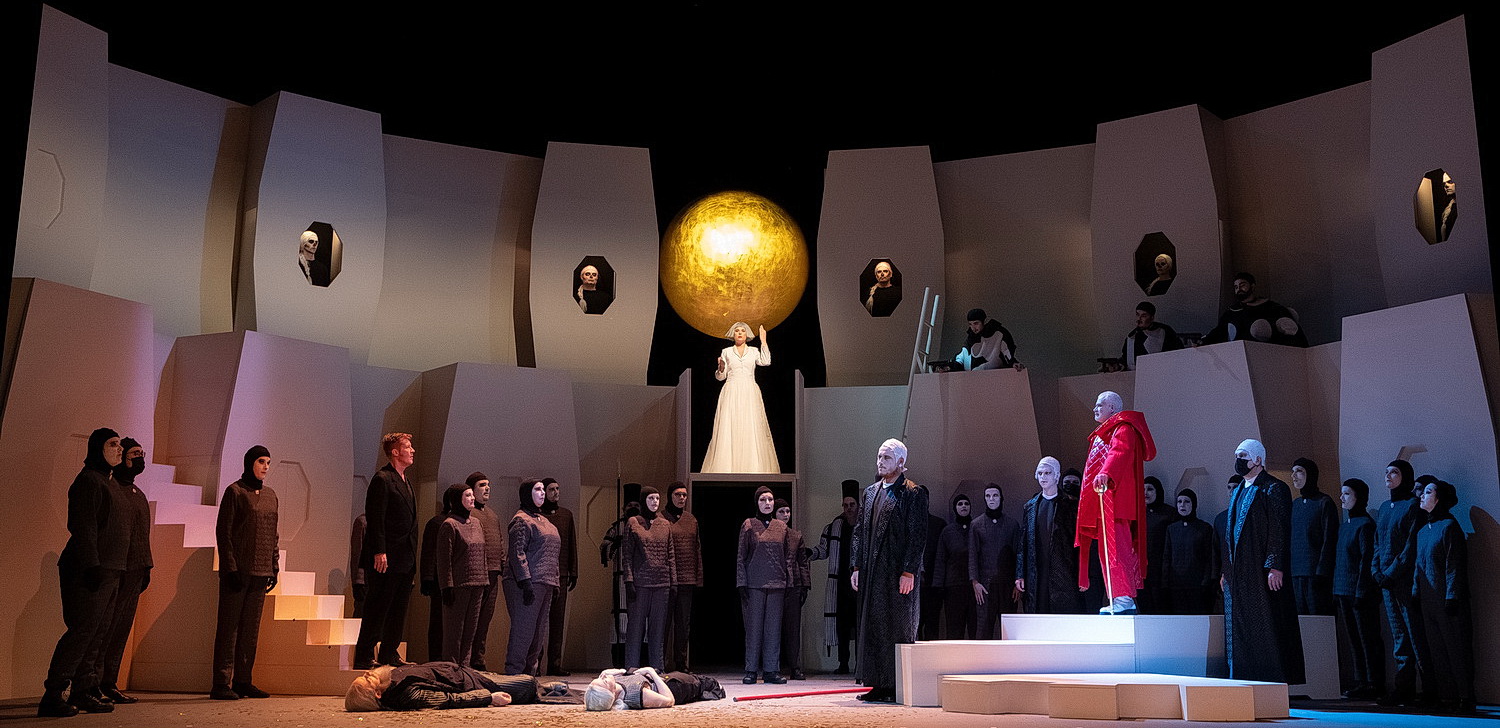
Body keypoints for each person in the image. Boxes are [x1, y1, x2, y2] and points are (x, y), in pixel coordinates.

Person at [39, 428, 126, 717]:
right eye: (113, 444)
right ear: (98, 447)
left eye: (120, 445)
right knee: (82, 631)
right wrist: (92, 564)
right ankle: (53, 694)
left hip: (109, 570)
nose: (119, 449)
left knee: (97, 633)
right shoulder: (89, 480)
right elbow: (83, 526)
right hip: (90, 569)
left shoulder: (109, 481)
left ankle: (83, 690)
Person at [850, 439, 928, 703]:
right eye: (879, 457)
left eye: (886, 458)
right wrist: (857, 566)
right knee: (874, 626)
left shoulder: (912, 493)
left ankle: (895, 685)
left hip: (897, 573)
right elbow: (860, 531)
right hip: (872, 572)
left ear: (901, 462)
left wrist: (909, 571)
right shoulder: (871, 492)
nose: (881, 462)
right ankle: (877, 683)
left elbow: (917, 535)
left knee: (897, 627)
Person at [1221, 439, 1304, 684]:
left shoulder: (1274, 488)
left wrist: (1275, 565)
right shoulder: (1239, 490)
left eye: (1243, 456)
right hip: (1240, 573)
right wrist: (1227, 570)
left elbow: (1279, 529)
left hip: (1261, 570)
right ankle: (1243, 677)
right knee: (1242, 625)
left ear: (1258, 459)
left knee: (1267, 623)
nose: (1239, 460)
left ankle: (1270, 679)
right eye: (1237, 456)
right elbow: (1230, 534)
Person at [1076, 391, 1155, 615]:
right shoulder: (1105, 432)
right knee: (1107, 553)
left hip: (1116, 502)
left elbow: (1120, 452)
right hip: (1105, 502)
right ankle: (1118, 597)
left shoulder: (1123, 428)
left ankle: (1124, 598)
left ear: (1112, 408)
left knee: (1117, 551)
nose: (1095, 409)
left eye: (1099, 405)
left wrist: (1106, 473)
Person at [211, 445, 280, 700]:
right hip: (237, 572)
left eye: (268, 462)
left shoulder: (271, 495)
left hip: (261, 572)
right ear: (250, 462)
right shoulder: (235, 491)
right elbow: (224, 531)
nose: (265, 467)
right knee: (229, 628)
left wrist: (274, 565)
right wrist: (230, 567)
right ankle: (221, 683)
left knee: (250, 630)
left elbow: (273, 533)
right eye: (261, 461)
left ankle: (243, 680)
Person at [94, 437, 152, 706]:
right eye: (134, 453)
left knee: (121, 628)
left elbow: (143, 533)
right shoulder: (111, 488)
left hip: (135, 569)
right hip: (115, 567)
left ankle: (109, 681)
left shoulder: (138, 494)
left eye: (142, 453)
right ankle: (92, 681)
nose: (139, 458)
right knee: (104, 627)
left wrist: (146, 565)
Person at [356, 433, 418, 670]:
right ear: (395, 452)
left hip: (405, 557)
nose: (412, 451)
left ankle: (389, 653)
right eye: (407, 447)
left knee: (399, 608)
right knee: (378, 606)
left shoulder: (405, 481)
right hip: (387, 556)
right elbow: (376, 518)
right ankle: (364, 655)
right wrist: (379, 551)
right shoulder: (382, 479)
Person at [1412, 478, 1474, 714]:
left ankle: (1465, 696)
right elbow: (1419, 565)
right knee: (1437, 650)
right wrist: (1416, 593)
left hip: (1447, 600)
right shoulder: (1422, 532)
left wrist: (1452, 596)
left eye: (1428, 492)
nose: (1422, 495)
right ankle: (1447, 696)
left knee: (1456, 648)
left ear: (1439, 499)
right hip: (1428, 600)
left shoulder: (1449, 526)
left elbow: (1453, 564)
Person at [1372, 459, 1428, 706]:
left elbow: (1410, 546)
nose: (1388, 476)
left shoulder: (1413, 506)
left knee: (1415, 634)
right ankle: (1403, 687)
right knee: (1398, 636)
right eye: (1386, 472)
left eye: (1394, 472)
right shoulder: (1385, 507)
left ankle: (1429, 688)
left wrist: (1392, 572)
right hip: (1387, 582)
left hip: (1404, 580)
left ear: (1405, 476)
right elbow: (1378, 542)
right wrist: (1376, 570)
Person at [702, 322, 779, 474]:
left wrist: (764, 341)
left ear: (746, 334)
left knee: (751, 424)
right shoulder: (726, 352)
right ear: (733, 334)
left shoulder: (753, 351)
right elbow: (720, 377)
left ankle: (753, 468)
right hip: (731, 390)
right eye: (737, 330)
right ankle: (726, 468)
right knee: (729, 425)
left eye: (742, 331)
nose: (739, 333)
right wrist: (720, 369)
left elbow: (766, 361)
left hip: (749, 391)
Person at [504, 479, 561, 675]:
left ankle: (528, 676)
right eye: (537, 489)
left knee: (538, 635)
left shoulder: (545, 521)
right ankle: (514, 675)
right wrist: (525, 581)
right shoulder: (521, 520)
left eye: (543, 489)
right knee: (523, 632)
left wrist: (555, 581)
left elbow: (553, 554)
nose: (542, 493)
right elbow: (516, 552)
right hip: (526, 583)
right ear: (527, 493)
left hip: (545, 582)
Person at [737, 485, 793, 684]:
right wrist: (742, 582)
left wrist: (789, 582)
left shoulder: (781, 527)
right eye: (763, 500)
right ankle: (751, 669)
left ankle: (771, 670)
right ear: (757, 503)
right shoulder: (749, 525)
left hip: (777, 582)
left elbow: (788, 557)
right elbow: (741, 556)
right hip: (755, 583)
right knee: (754, 628)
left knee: (773, 628)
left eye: (770, 499)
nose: (767, 503)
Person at [1333, 478, 1382, 700]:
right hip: (1343, 590)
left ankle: (1373, 682)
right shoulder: (1345, 525)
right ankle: (1361, 680)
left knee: (1367, 638)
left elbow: (1366, 561)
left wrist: (1362, 591)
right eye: (1342, 493)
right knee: (1354, 638)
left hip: (1360, 593)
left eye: (1347, 494)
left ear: (1359, 497)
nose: (1342, 498)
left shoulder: (1365, 525)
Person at [344, 661, 558, 711]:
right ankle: (550, 689)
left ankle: (549, 688)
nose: (367, 673)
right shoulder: (405, 694)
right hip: (470, 685)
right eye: (366, 679)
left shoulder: (392, 676)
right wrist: (489, 698)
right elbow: (449, 700)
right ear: (377, 694)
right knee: (527, 682)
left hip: (464, 673)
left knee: (526, 682)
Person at [1017, 458, 1080, 615]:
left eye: (1047, 473)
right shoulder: (1030, 506)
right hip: (1036, 571)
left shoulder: (1070, 504)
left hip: (1064, 570)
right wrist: (1020, 574)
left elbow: (1078, 542)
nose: (1043, 477)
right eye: (1040, 473)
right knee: (1038, 610)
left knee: (1063, 613)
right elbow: (1023, 543)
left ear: (1057, 475)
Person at [808, 480, 860, 674]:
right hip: (840, 585)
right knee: (842, 626)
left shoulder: (865, 527)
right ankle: (843, 663)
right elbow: (824, 550)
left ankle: (861, 664)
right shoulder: (834, 527)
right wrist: (809, 553)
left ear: (858, 505)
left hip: (859, 584)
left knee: (860, 626)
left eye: (852, 504)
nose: (848, 508)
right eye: (845, 505)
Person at [622, 485, 675, 672]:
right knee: (636, 628)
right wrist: (629, 580)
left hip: (662, 583)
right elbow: (627, 555)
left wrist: (673, 582)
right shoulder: (633, 522)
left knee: (658, 628)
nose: (655, 502)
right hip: (640, 583)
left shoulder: (664, 524)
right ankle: (631, 666)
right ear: (643, 500)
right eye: (651, 498)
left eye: (657, 498)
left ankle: (657, 668)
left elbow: (670, 554)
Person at [437, 484, 486, 666]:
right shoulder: (450, 525)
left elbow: (483, 553)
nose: (472, 498)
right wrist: (446, 586)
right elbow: (444, 559)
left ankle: (464, 669)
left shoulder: (477, 523)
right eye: (467, 495)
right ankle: (450, 669)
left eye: (472, 495)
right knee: (454, 632)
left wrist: (485, 580)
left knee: (470, 632)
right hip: (459, 585)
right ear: (457, 499)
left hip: (478, 583)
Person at [1202, 272, 1308, 347]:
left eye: (1242, 285)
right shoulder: (1231, 313)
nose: (1239, 289)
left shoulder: (1272, 308)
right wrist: (1202, 341)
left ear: (1252, 287)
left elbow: (1291, 331)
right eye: (1236, 287)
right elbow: (1218, 333)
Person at [661, 482, 702, 672]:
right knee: (663, 623)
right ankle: (660, 662)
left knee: (683, 625)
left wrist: (698, 578)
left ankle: (681, 664)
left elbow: (697, 549)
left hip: (686, 579)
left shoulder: (691, 520)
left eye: (684, 495)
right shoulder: (661, 519)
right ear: (670, 496)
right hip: (667, 579)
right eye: (678, 494)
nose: (681, 498)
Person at [969, 483, 1019, 635]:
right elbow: (973, 555)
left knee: (1009, 630)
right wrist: (975, 582)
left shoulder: (1012, 524)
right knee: (984, 629)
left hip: (1007, 585)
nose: (991, 499)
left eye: (995, 495)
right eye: (988, 496)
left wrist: (1017, 583)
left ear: (1001, 498)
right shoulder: (976, 525)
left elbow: (1018, 554)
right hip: (985, 585)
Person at [539, 477, 578, 675]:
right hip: (542, 574)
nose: (556, 492)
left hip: (561, 574)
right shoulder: (537, 515)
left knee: (557, 621)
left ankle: (555, 664)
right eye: (551, 489)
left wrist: (573, 570)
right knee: (539, 621)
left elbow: (571, 543)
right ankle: (535, 663)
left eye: (557, 489)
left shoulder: (566, 515)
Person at [1289, 458, 1337, 615]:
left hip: (1316, 574)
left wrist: (1322, 571)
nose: (1294, 476)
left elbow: (1329, 540)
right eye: (1293, 471)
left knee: (1320, 619)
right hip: (1296, 574)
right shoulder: (1295, 504)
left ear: (1310, 474)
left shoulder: (1324, 502)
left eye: (1299, 471)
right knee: (1301, 621)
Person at [467, 472, 504, 670]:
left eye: (488, 484)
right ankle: (467, 661)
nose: (487, 488)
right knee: (472, 620)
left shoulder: (493, 515)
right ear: (472, 490)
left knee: (484, 621)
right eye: (482, 485)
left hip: (493, 572)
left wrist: (501, 563)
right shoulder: (469, 514)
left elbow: (499, 541)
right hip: (476, 574)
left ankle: (478, 660)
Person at [1161, 488, 1217, 614]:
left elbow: (1209, 558)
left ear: (1194, 504)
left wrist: (1206, 582)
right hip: (1176, 586)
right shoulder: (1172, 529)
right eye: (1179, 502)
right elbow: (1167, 557)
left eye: (1186, 501)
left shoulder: (1204, 528)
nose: (1182, 505)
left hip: (1197, 586)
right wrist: (1165, 583)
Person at [600, 498, 640, 668]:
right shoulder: (616, 528)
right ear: (624, 508)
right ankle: (620, 662)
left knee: (642, 621)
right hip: (621, 579)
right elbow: (604, 548)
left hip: (642, 579)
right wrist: (615, 544)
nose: (633, 508)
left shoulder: (646, 525)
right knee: (620, 619)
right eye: (630, 505)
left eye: (636, 505)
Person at [776, 499, 813, 679]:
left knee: (793, 628)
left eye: (788, 511)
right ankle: (773, 666)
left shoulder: (796, 535)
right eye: (781, 511)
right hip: (775, 585)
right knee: (773, 628)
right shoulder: (769, 534)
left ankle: (794, 667)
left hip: (794, 584)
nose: (785, 515)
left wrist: (805, 585)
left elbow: (802, 562)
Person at [583, 666, 725, 710]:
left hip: (657, 678)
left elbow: (604, 674)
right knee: (700, 682)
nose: (603, 677)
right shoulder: (637, 695)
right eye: (604, 681)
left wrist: (619, 671)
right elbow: (669, 700)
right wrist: (651, 672)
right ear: (612, 693)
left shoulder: (612, 684)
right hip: (671, 687)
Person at [933, 490, 975, 637]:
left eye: (966, 504)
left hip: (974, 587)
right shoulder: (947, 531)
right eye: (960, 504)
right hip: (953, 588)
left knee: (975, 628)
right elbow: (940, 559)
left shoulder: (976, 527)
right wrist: (938, 586)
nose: (963, 506)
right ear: (955, 508)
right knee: (954, 629)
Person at [1139, 476, 1176, 613]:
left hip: (1162, 570)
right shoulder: (1138, 513)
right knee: (1145, 606)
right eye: (1143, 489)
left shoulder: (1169, 513)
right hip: (1142, 571)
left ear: (1158, 491)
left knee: (1162, 607)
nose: (1145, 493)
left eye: (1150, 489)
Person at [418, 494, 447, 661]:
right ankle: (436, 659)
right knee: (438, 621)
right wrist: (427, 578)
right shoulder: (437, 523)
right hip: (439, 580)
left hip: (456, 580)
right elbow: (429, 552)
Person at [1121, 302, 1183, 370]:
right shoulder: (1132, 337)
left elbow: (1178, 352)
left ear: (1152, 318)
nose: (1139, 319)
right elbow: (1126, 359)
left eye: (1144, 316)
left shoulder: (1165, 331)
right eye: (1137, 315)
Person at [349, 514, 368, 618]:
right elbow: (357, 554)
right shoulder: (362, 522)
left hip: (377, 581)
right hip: (363, 581)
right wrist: (357, 581)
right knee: (361, 616)